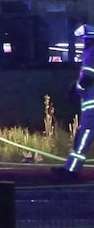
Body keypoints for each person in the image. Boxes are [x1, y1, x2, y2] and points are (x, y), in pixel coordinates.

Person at [52, 24, 94, 180]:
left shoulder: (91, 53)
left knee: (83, 139)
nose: (82, 43)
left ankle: (70, 171)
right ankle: (69, 169)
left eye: (83, 40)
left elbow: (87, 78)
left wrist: (76, 88)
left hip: (91, 108)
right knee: (82, 138)